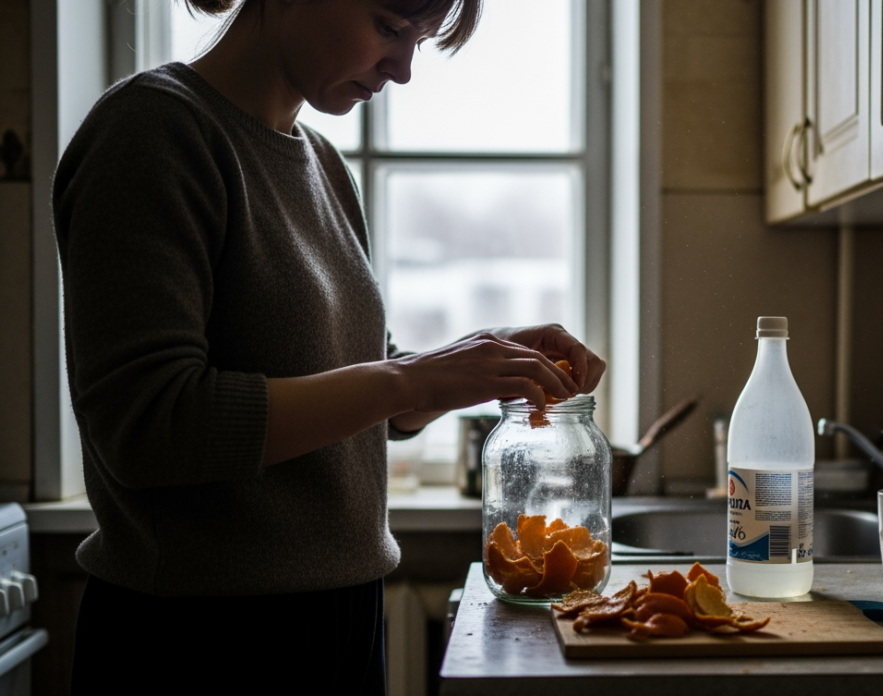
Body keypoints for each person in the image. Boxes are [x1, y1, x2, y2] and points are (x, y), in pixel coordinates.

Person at [53, 0, 605, 691]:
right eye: (391, 27)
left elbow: (352, 390)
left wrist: (469, 361)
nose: (403, 70)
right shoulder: (153, 131)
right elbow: (150, 426)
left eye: (420, 42)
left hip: (342, 618)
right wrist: (415, 380)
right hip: (201, 639)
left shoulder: (321, 163)